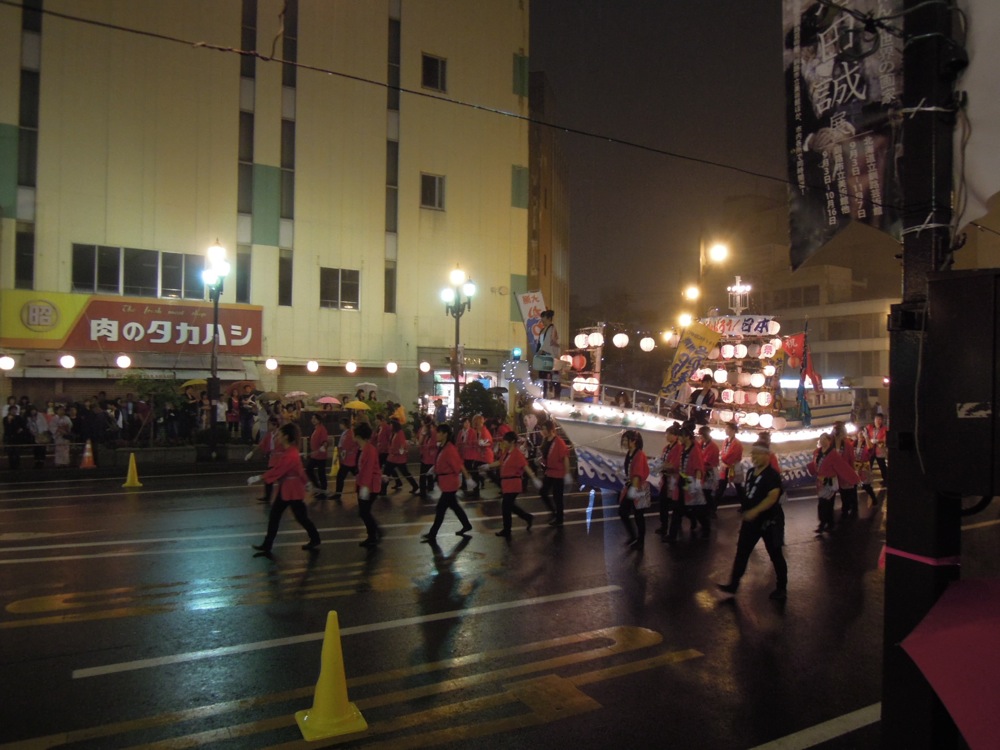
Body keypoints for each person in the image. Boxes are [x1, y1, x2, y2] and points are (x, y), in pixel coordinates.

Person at [717, 441, 789, 600]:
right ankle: (733, 584)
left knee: (775, 554)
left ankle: (782, 587)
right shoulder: (750, 472)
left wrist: (754, 511)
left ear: (767, 455)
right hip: (751, 521)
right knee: (742, 552)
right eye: (753, 453)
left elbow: (772, 497)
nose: (754, 457)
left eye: (757, 454)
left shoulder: (772, 475)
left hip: (770, 521)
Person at [249, 423, 321, 554]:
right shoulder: (290, 451)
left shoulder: (290, 454)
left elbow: (278, 470)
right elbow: (299, 470)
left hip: (291, 491)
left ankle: (314, 538)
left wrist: (259, 477)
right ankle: (268, 544)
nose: (278, 436)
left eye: (280, 434)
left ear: (286, 437)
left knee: (298, 517)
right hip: (288, 490)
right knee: (283, 516)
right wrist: (307, 483)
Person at [421, 423, 476, 542]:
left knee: (441, 509)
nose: (437, 435)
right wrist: (435, 469)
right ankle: (466, 525)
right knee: (454, 506)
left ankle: (432, 534)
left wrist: (467, 478)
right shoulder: (443, 447)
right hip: (446, 482)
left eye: (439, 432)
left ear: (445, 434)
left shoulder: (450, 448)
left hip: (450, 483)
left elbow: (458, 465)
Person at [482, 431, 538, 536]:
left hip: (514, 483)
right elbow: (499, 462)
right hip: (507, 484)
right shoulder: (507, 452)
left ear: (512, 442)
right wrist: (488, 466)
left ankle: (507, 530)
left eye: (505, 441)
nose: (504, 443)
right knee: (510, 506)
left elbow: (526, 467)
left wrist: (534, 478)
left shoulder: (517, 454)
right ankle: (527, 517)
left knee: (506, 506)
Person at [808, 432, 860, 535]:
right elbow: (815, 465)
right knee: (822, 503)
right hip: (820, 482)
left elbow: (842, 467)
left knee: (827, 503)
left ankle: (826, 523)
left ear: (829, 441)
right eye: (821, 438)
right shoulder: (817, 452)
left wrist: (854, 478)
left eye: (825, 439)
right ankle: (825, 523)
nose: (822, 441)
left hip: (830, 482)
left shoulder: (833, 454)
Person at [675, 426, 709, 539]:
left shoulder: (695, 450)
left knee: (696, 507)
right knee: (683, 506)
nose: (678, 438)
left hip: (691, 480)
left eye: (680, 436)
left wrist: (698, 483)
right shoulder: (683, 448)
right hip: (683, 479)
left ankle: (705, 525)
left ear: (687, 437)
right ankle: (673, 533)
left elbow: (699, 467)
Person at [353, 422, 383, 547]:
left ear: (358, 436)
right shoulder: (362, 449)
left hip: (370, 486)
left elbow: (369, 469)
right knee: (364, 511)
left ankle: (373, 535)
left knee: (364, 512)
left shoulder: (369, 450)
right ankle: (375, 532)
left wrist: (364, 487)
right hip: (364, 484)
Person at [619, 430, 650, 550]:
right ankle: (634, 536)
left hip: (638, 487)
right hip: (632, 486)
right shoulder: (630, 453)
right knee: (625, 512)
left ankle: (639, 540)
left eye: (626, 440)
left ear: (634, 441)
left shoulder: (639, 454)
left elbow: (637, 475)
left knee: (638, 515)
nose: (624, 442)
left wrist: (633, 492)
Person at [538, 419, 572, 526]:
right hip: (549, 472)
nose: (542, 431)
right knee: (543, 492)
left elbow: (565, 458)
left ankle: (559, 518)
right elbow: (546, 455)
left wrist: (567, 474)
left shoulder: (559, 442)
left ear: (550, 429)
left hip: (558, 473)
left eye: (544, 429)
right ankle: (554, 512)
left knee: (557, 497)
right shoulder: (545, 440)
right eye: (542, 429)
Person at [657, 425, 683, 541]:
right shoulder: (666, 448)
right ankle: (664, 526)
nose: (666, 435)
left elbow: (675, 465)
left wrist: (662, 466)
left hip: (674, 479)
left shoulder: (678, 448)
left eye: (668, 433)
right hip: (666, 478)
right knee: (663, 503)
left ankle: (673, 528)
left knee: (675, 505)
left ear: (675, 436)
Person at [246, 417, 282, 502]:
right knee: (270, 478)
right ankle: (269, 497)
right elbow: (261, 445)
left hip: (280, 459)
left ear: (275, 425)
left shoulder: (280, 434)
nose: (268, 426)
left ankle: (280, 496)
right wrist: (252, 453)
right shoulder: (269, 435)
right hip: (273, 459)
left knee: (276, 478)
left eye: (269, 424)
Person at [715, 421, 746, 510]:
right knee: (722, 486)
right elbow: (724, 453)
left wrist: (722, 459)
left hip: (733, 467)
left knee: (738, 487)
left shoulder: (737, 443)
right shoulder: (726, 441)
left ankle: (745, 505)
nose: (725, 430)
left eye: (727, 428)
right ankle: (713, 508)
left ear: (732, 430)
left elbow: (730, 456)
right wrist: (722, 459)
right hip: (726, 467)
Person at [385, 418, 420, 493]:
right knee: (388, 473)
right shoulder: (394, 433)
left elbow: (402, 447)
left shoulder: (399, 433)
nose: (390, 426)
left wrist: (395, 451)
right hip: (393, 458)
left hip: (397, 458)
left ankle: (415, 486)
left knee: (403, 473)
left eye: (391, 425)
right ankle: (383, 489)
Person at [534, 309, 561, 399]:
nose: (542, 320)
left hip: (550, 355)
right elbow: (540, 343)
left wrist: (541, 350)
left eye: (543, 318)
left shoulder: (552, 328)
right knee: (544, 376)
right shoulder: (543, 330)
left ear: (548, 318)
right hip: (544, 355)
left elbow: (547, 343)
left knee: (554, 376)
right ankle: (545, 394)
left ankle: (556, 395)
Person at [331, 417, 358, 501]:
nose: (339, 425)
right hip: (347, 459)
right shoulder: (346, 433)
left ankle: (338, 494)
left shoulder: (349, 433)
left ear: (344, 425)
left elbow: (346, 446)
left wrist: (341, 455)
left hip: (348, 459)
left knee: (340, 476)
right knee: (357, 474)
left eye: (341, 423)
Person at [697, 425, 720, 516]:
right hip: (703, 469)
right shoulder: (702, 443)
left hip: (709, 471)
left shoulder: (713, 446)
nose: (700, 437)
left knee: (707, 492)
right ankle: (708, 510)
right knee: (705, 492)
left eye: (701, 435)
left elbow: (709, 461)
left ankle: (711, 510)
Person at [306, 414, 329, 498]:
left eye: (315, 418)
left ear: (319, 420)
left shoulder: (322, 429)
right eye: (312, 418)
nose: (313, 420)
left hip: (320, 455)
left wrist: (323, 446)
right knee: (309, 469)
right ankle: (318, 488)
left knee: (321, 473)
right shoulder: (315, 429)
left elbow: (325, 440)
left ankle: (323, 491)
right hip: (315, 455)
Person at [864, 413, 888, 492]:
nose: (878, 421)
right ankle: (866, 482)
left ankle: (886, 480)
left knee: (882, 466)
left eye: (880, 419)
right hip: (870, 450)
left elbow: (886, 439)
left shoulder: (885, 429)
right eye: (877, 419)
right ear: (874, 420)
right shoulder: (869, 427)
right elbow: (864, 433)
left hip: (879, 451)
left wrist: (878, 441)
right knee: (868, 466)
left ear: (882, 420)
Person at [417, 416, 438, 497]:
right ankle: (430, 486)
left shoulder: (431, 432)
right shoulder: (428, 432)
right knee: (428, 473)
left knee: (423, 475)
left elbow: (423, 444)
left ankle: (423, 491)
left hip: (428, 457)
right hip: (427, 456)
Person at [3, 405, 27, 470]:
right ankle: (11, 465)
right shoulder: (5, 418)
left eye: (15, 410)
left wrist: (21, 429)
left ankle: (17, 465)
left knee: (17, 452)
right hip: (9, 437)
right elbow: (7, 428)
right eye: (12, 410)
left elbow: (23, 426)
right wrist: (9, 421)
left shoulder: (19, 418)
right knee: (10, 452)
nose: (14, 411)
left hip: (17, 437)